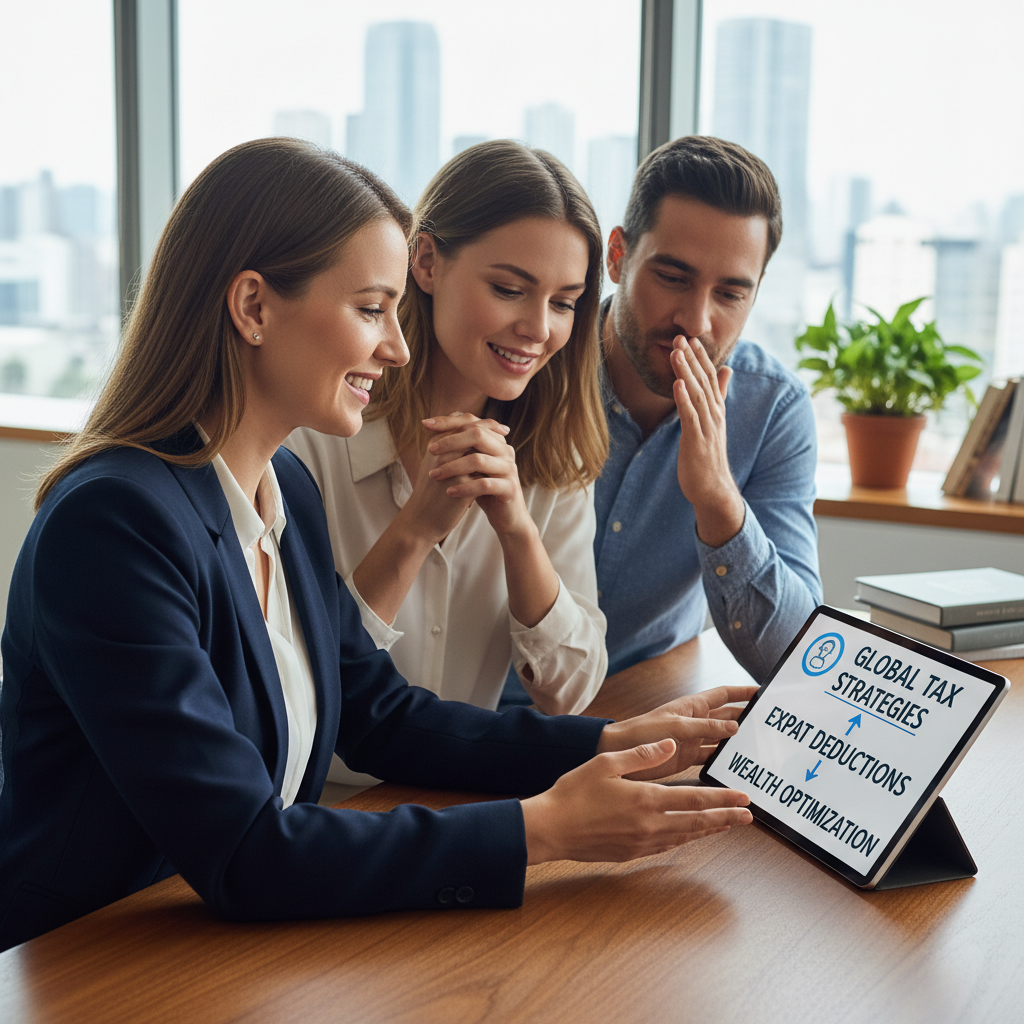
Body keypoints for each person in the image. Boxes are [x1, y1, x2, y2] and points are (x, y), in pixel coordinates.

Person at [0, 138, 754, 952]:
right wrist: (543, 831)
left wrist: (612, 741)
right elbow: (247, 852)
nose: (397, 346)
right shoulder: (114, 523)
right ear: (253, 308)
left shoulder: (278, 489)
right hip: (93, 958)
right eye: (370, 309)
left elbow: (379, 716)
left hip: (213, 945)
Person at [287, 140, 608, 737]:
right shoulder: (313, 435)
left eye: (563, 303)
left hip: (447, 794)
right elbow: (298, 678)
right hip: (317, 803)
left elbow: (571, 692)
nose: (538, 329)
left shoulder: (553, 460)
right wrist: (416, 528)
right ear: (426, 262)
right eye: (510, 290)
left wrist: (517, 530)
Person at [594, 136, 823, 681]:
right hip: (483, 715)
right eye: (673, 278)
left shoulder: (772, 410)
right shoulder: (532, 358)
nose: (696, 321)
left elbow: (798, 660)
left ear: (757, 291)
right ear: (618, 256)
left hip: (643, 704)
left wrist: (719, 501)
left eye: (730, 294)